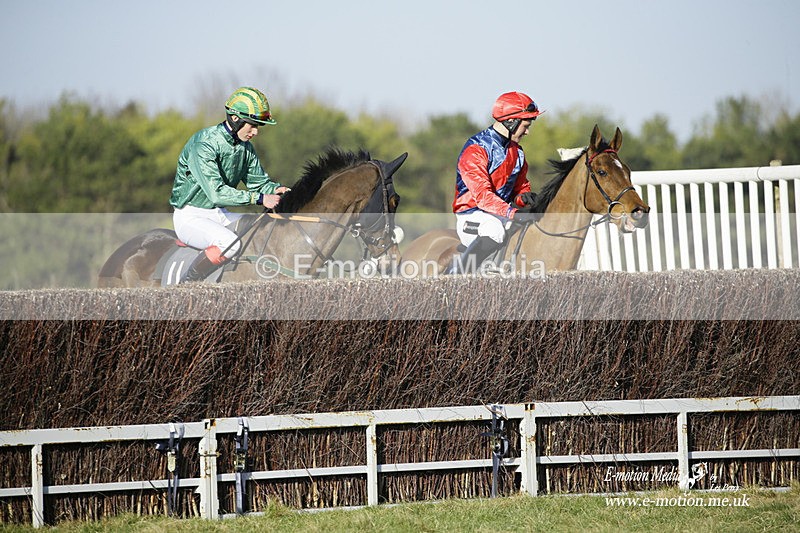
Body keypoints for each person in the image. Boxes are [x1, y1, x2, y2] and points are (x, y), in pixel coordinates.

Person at [169, 86, 290, 282]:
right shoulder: (204, 144)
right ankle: (188, 284)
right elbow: (216, 193)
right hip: (190, 216)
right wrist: (260, 199)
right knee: (229, 243)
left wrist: (276, 189)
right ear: (235, 118)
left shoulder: (246, 148)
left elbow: (258, 183)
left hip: (219, 214)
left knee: (263, 227)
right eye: (252, 125)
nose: (256, 132)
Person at [451, 91, 542, 273]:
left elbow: (519, 190)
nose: (528, 132)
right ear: (511, 122)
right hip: (472, 216)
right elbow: (483, 197)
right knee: (494, 230)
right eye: (525, 126)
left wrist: (525, 198)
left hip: (501, 214)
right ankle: (456, 278)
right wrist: (512, 212)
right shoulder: (476, 149)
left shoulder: (518, 153)